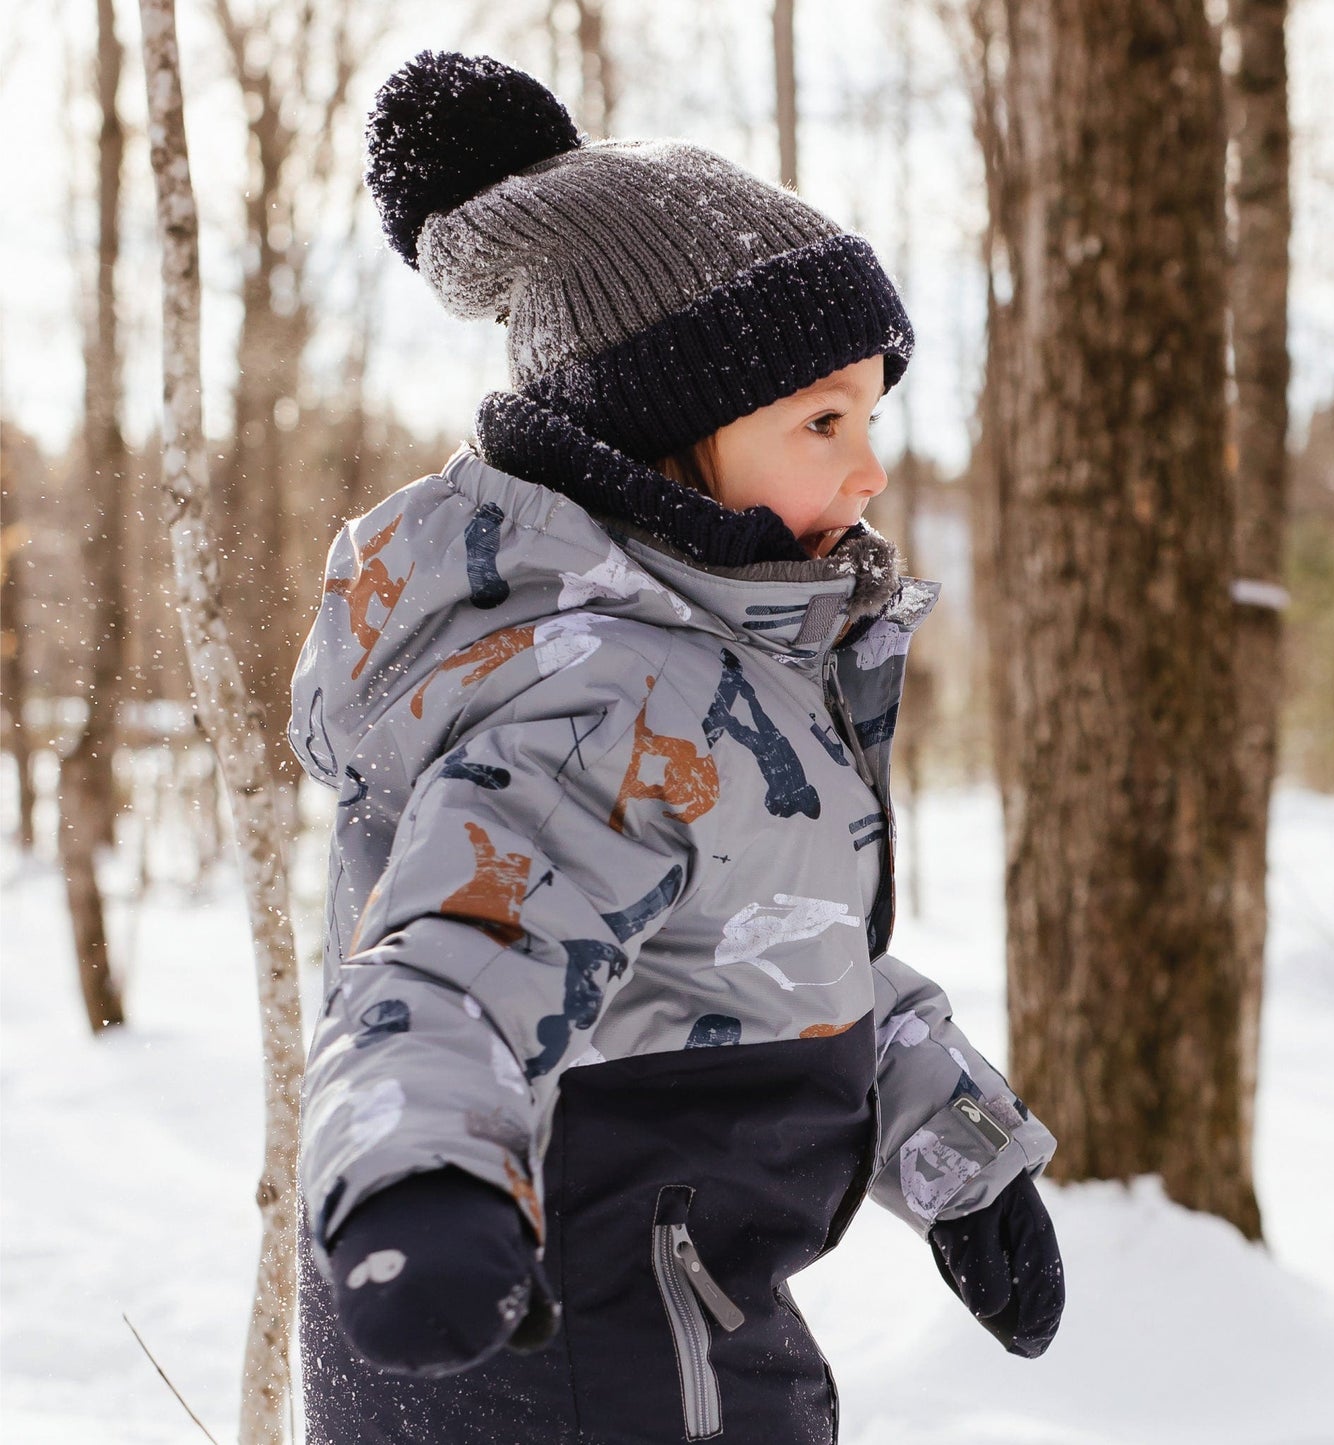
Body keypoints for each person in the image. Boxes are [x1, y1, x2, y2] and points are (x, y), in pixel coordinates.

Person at [292, 50, 1065, 1445]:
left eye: (870, 415)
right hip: (550, 1351)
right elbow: (446, 971)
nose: (867, 463)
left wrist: (952, 1143)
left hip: (678, 1325)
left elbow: (752, 935)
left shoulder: (719, 666)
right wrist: (419, 1183)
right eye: (819, 420)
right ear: (656, 439)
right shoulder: (592, 700)